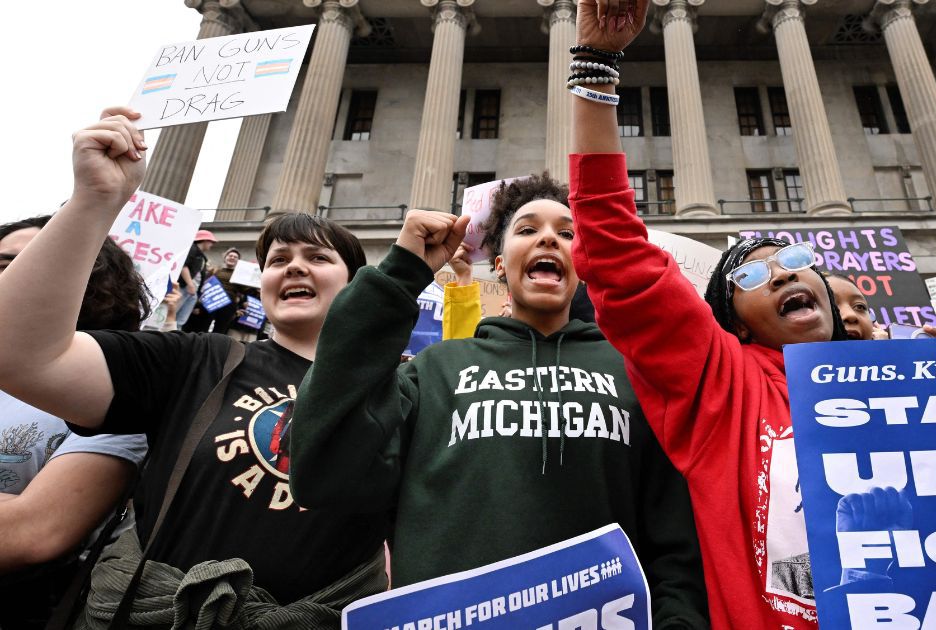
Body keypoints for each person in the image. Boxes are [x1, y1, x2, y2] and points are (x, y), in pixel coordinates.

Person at [567, 2, 936, 628]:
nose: (781, 273)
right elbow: (616, 252)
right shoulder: (723, 388)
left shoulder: (928, 392)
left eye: (793, 258)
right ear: (734, 324)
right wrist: (597, 64)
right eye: (751, 275)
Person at [0, 109, 388, 627]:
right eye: (277, 260)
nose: (293, 265)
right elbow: (23, 357)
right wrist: (93, 200)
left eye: (317, 258)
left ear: (358, 286)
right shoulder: (194, 359)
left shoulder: (398, 389)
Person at [290, 173, 710, 628]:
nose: (548, 238)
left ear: (583, 265)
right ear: (500, 264)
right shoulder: (433, 371)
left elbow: (675, 542)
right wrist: (399, 275)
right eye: (527, 229)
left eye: (567, 234)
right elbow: (323, 475)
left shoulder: (634, 376)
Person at [0, 215, 150, 629]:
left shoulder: (115, 397)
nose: (13, 279)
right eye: (3, 266)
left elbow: (35, 531)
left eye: (26, 264)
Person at [184, 247, 241, 334]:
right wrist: (198, 304)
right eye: (230, 255)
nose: (232, 258)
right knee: (203, 326)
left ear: (238, 261)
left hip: (229, 304)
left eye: (235, 257)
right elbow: (203, 286)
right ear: (225, 258)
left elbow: (244, 291)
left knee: (220, 329)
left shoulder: (240, 275)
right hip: (211, 300)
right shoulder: (214, 270)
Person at [177, 229, 217, 327]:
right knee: (173, 314)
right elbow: (183, 266)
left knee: (180, 319)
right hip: (184, 288)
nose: (212, 245)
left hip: (191, 291)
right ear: (205, 240)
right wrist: (190, 284)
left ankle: (174, 332)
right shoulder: (192, 249)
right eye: (211, 242)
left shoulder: (200, 255)